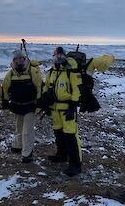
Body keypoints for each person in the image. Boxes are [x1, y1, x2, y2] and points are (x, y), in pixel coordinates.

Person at [42, 47, 82, 176]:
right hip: (55, 108)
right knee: (58, 133)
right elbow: (46, 88)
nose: (58, 57)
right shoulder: (51, 72)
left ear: (64, 56)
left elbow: (77, 89)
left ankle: (75, 164)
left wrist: (73, 106)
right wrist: (45, 104)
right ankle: (61, 155)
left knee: (70, 136)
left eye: (60, 55)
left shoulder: (71, 72)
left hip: (67, 109)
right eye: (56, 55)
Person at [2, 50, 43, 163]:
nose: (18, 60)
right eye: (16, 59)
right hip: (16, 106)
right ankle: (18, 145)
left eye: (21, 58)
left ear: (24, 59)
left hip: (30, 105)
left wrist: (39, 104)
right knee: (19, 128)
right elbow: (4, 89)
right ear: (13, 61)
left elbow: (40, 88)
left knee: (27, 131)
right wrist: (5, 106)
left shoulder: (33, 72)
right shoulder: (10, 74)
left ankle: (27, 153)